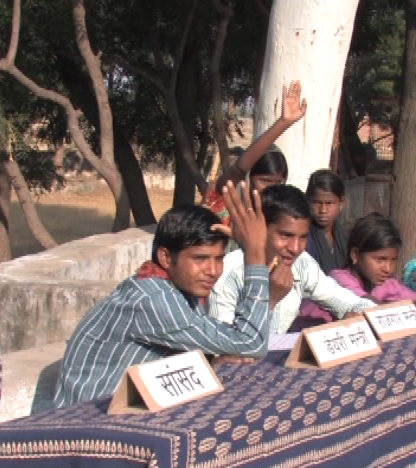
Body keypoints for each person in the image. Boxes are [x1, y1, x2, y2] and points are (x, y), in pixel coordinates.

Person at [54, 184, 269, 407]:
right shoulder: (154, 299)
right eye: (200, 259)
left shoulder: (179, 289)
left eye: (219, 259)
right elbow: (251, 342)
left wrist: (213, 358)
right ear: (166, 258)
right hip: (86, 422)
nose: (213, 271)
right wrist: (255, 256)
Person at [210, 183, 375, 334]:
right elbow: (228, 350)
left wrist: (359, 315)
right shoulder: (229, 274)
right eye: (285, 235)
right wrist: (269, 300)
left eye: (303, 237)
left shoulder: (302, 264)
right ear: (260, 229)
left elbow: (350, 302)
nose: (295, 248)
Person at [201, 81, 306, 224]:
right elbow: (238, 170)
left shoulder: (277, 216)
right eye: (265, 181)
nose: (271, 188)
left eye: (278, 182)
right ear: (249, 177)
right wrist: (283, 123)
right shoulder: (227, 196)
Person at [328, 213, 416, 316]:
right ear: (355, 255)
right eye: (380, 259)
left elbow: (413, 301)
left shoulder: (386, 283)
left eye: (393, 259)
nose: (388, 269)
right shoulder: (339, 280)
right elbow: (378, 313)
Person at [305, 169, 348, 274]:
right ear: (307, 201)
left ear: (341, 203)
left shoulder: (345, 238)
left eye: (329, 203)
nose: (323, 210)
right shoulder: (304, 237)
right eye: (317, 202)